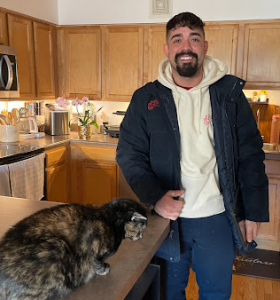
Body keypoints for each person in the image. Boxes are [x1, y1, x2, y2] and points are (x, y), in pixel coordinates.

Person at [116, 12, 269, 300]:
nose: (186, 46)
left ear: (205, 46)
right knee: (167, 293)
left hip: (217, 219)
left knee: (216, 294)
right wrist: (156, 197)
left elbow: (250, 154)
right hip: (165, 221)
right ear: (167, 50)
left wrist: (252, 211)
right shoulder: (146, 99)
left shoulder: (230, 94)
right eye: (177, 39)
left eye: (194, 38)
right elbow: (128, 154)